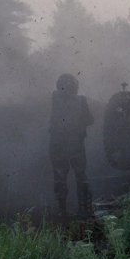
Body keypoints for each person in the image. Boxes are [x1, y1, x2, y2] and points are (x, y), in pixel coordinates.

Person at [49, 73, 94, 215]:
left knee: (60, 177)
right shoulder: (81, 101)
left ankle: (62, 209)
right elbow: (90, 120)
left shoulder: (55, 98)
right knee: (81, 176)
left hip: (58, 144)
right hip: (75, 144)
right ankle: (84, 208)